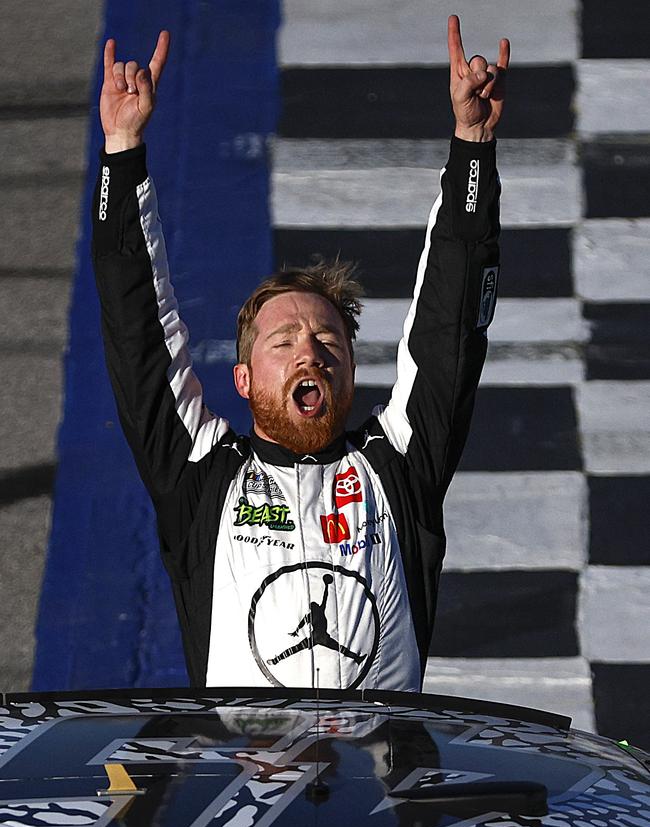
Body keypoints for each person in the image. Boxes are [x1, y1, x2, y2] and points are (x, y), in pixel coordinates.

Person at [92, 16, 509, 690]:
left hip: (378, 790)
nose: (308, 353)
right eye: (283, 343)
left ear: (349, 370)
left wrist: (473, 148)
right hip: (246, 789)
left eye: (325, 341)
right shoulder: (200, 475)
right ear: (245, 378)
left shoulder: (399, 465)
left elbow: (450, 329)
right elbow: (135, 328)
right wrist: (121, 151)